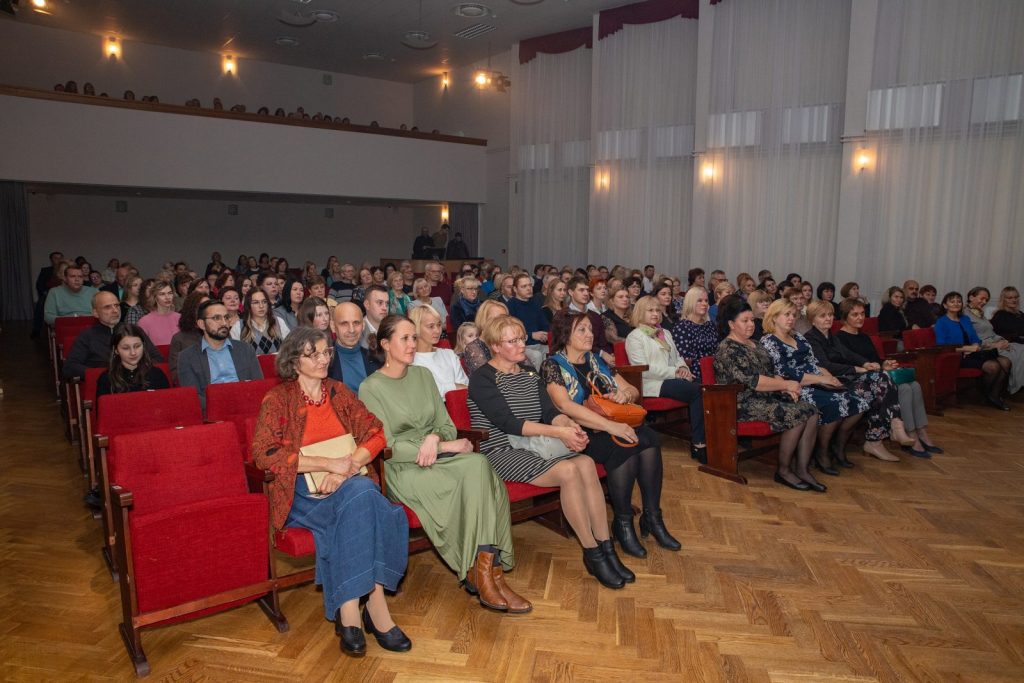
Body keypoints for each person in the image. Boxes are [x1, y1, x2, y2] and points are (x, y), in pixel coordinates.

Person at [252, 327, 410, 656]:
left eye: (326, 352)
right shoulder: (278, 399)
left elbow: (376, 432)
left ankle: (349, 608)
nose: (323, 359)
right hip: (302, 493)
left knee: (361, 495)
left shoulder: (338, 392)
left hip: (348, 484)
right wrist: (328, 464)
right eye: (313, 354)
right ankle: (375, 607)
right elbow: (264, 454)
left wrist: (347, 468)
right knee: (369, 500)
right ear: (293, 361)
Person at [359, 316, 530, 613]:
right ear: (385, 344)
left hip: (438, 459)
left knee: (479, 467)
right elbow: (388, 445)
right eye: (405, 338)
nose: (412, 344)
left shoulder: (423, 375)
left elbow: (446, 425)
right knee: (477, 467)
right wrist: (439, 446)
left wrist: (435, 438)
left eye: (414, 338)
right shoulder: (370, 388)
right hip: (404, 468)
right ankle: (488, 573)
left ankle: (485, 572)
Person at [467, 315, 632, 590]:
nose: (522, 345)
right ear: (495, 346)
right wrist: (560, 433)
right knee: (568, 470)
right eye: (512, 341)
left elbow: (550, 412)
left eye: (521, 338)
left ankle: (607, 547)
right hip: (500, 450)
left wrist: (570, 426)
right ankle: (591, 552)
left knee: (586, 462)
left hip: (533, 444)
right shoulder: (482, 378)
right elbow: (509, 424)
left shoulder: (529, 373)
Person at [543, 312, 679, 558]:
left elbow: (632, 390)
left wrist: (623, 395)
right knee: (624, 446)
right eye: (582, 330)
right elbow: (565, 406)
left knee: (649, 439)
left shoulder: (596, 360)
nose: (590, 334)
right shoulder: (553, 365)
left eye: (590, 329)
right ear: (565, 335)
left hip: (611, 424)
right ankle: (623, 522)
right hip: (578, 433)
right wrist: (611, 427)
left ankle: (652, 517)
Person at [713, 298, 821, 491]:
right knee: (797, 414)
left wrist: (786, 387)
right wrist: (785, 384)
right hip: (741, 403)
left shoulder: (755, 344)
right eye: (744, 321)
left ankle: (802, 469)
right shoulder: (727, 349)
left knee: (812, 411)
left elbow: (770, 373)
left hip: (765, 397)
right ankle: (783, 470)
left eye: (751, 320)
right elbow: (754, 382)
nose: (750, 324)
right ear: (731, 324)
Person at [760, 299, 869, 484]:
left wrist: (830, 378)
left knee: (858, 402)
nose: (791, 318)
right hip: (794, 387)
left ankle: (835, 447)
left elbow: (815, 363)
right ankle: (821, 452)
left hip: (815, 382)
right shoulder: (769, 341)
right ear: (774, 317)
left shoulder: (799, 337)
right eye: (786, 315)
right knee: (836, 403)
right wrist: (821, 380)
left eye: (794, 315)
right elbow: (786, 373)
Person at [804, 300, 911, 464]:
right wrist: (856, 369)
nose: (828, 319)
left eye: (830, 315)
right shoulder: (810, 338)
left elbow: (849, 354)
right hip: (830, 381)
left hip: (846, 377)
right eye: (822, 316)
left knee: (875, 390)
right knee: (880, 380)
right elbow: (825, 365)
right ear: (812, 319)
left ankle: (876, 438)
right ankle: (891, 428)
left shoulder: (831, 337)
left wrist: (865, 363)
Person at [834, 299, 939, 458]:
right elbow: (847, 366)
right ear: (844, 317)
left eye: (862, 314)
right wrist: (873, 368)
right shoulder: (839, 338)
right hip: (859, 380)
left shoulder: (864, 337)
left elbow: (875, 360)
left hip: (878, 376)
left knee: (915, 385)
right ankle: (909, 433)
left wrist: (885, 364)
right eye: (854, 314)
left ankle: (921, 431)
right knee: (904, 388)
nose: (860, 318)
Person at [625, 296, 707, 461]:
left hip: (670, 378)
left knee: (708, 388)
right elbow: (643, 369)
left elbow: (677, 357)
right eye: (650, 310)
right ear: (640, 312)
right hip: (651, 383)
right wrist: (675, 372)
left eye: (657, 310)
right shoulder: (635, 336)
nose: (655, 314)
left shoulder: (665, 333)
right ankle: (699, 443)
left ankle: (710, 437)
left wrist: (683, 368)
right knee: (697, 390)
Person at [179, 300, 263, 411]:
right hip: (212, 412)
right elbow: (193, 397)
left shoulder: (245, 349)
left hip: (246, 408)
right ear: (201, 324)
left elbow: (258, 386)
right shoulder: (187, 357)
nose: (224, 323)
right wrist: (223, 405)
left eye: (226, 317)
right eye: (216, 318)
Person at [934, 291, 1011, 410]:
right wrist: (965, 348)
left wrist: (975, 345)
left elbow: (975, 338)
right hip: (956, 357)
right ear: (945, 305)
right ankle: (990, 396)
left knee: (1006, 362)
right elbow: (942, 346)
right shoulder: (941, 322)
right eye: (952, 301)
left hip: (974, 353)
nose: (956, 304)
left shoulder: (965, 319)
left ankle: (993, 395)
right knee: (993, 366)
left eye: (959, 301)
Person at [62, 291, 163, 380]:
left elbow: (157, 358)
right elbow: (70, 367)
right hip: (104, 385)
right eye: (107, 307)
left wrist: (135, 369)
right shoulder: (87, 336)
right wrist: (103, 374)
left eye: (117, 305)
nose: (115, 310)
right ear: (95, 313)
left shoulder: (134, 331)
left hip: (138, 380)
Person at [966, 287, 1022, 395]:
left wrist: (1003, 341)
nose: (984, 302)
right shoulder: (965, 315)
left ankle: (996, 394)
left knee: (1016, 352)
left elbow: (991, 333)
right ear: (971, 297)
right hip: (981, 348)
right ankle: (996, 393)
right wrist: (994, 344)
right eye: (982, 299)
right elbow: (970, 338)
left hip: (994, 343)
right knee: (1012, 357)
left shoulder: (979, 313)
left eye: (986, 300)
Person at [95, 323, 170, 402]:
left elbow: (167, 405)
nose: (133, 353)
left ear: (143, 346)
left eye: (137, 346)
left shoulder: (157, 375)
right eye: (126, 348)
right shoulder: (106, 379)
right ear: (116, 350)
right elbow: (103, 408)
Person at [409, 305, 468, 395]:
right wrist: (454, 386)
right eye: (431, 326)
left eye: (439, 325)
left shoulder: (449, 354)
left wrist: (444, 388)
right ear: (416, 328)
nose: (437, 331)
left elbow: (465, 386)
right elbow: (426, 393)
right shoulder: (410, 360)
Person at [328, 303, 381, 393]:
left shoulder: (376, 359)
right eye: (344, 324)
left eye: (356, 323)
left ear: (363, 325)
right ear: (333, 326)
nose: (351, 330)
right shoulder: (324, 362)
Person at [671, 287, 719, 383]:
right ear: (690, 303)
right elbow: (685, 359)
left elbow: (718, 350)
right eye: (699, 300)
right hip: (695, 373)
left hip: (715, 369)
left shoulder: (710, 325)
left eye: (706, 301)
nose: (704, 304)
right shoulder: (682, 327)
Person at [506, 274, 550, 370]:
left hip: (538, 343)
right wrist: (531, 335)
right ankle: (536, 380)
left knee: (555, 352)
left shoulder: (535, 303)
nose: (529, 289)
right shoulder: (511, 306)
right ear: (515, 289)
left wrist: (545, 334)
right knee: (536, 355)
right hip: (521, 345)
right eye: (524, 286)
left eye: (530, 285)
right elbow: (512, 332)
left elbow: (545, 324)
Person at [564, 278, 614, 362]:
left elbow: (603, 343)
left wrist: (610, 355)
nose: (586, 293)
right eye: (581, 290)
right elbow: (563, 343)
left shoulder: (595, 316)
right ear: (571, 292)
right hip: (572, 359)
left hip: (598, 358)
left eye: (587, 290)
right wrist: (602, 353)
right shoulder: (563, 316)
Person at [168, 291, 209, 384]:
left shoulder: (220, 334)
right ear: (192, 310)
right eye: (202, 307)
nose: (208, 311)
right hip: (197, 386)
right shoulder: (179, 339)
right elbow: (177, 375)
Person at [231, 289, 289, 354]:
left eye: (264, 302)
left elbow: (289, 348)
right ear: (248, 305)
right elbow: (236, 353)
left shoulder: (278, 321)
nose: (261, 306)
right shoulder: (239, 326)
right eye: (256, 302)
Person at [462, 300, 511, 375]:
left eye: (504, 318)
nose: (501, 322)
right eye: (496, 319)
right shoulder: (473, 348)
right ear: (483, 320)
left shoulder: (509, 341)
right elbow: (488, 376)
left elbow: (525, 369)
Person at [137, 281, 181, 346]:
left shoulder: (180, 318)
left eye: (170, 293)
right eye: (162, 294)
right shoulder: (144, 322)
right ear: (155, 297)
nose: (167, 297)